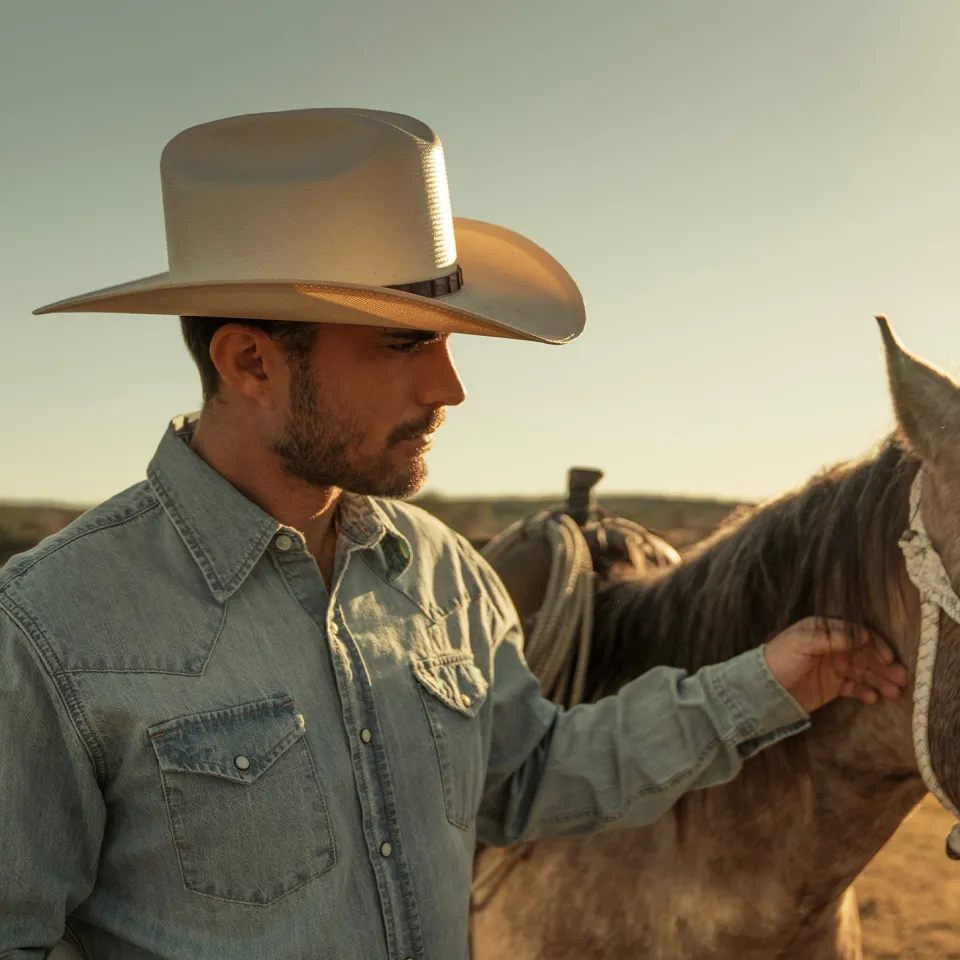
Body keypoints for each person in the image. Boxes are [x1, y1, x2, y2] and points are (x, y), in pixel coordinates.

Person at [1, 108, 907, 960]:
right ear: (250, 361)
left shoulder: (439, 574)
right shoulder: (52, 631)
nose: (451, 388)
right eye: (404, 344)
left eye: (446, 342)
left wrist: (764, 683)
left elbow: (527, 777)